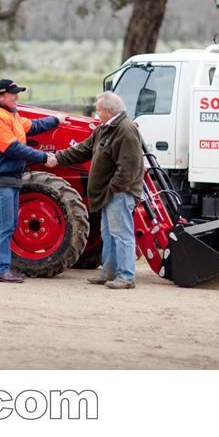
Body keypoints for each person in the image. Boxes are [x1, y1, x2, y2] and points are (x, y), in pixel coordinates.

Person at [47, 91, 143, 289]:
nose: (96, 114)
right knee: (108, 233)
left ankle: (126, 276)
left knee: (122, 234)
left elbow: (129, 167)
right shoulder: (104, 129)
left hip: (119, 193)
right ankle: (108, 272)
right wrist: (58, 158)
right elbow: (83, 149)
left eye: (99, 110)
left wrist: (112, 190)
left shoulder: (125, 130)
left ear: (109, 111)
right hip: (108, 193)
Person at [0, 79, 66, 283]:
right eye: (13, 94)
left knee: (9, 224)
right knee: (3, 226)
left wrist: (55, 120)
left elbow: (32, 126)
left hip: (10, 178)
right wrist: (45, 158)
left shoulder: (11, 114)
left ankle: (3, 268)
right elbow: (13, 148)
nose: (17, 96)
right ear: (1, 96)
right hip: (1, 179)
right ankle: (0, 270)